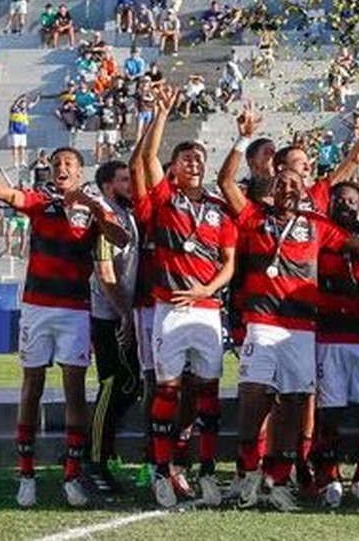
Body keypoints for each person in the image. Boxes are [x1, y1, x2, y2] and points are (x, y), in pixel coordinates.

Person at [218, 108, 359, 510]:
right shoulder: (254, 217)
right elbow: (226, 181)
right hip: (263, 322)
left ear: (305, 189)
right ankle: (247, 473)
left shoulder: (317, 224)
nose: (288, 189)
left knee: (295, 401)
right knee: (255, 396)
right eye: (282, 182)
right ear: (272, 184)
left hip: (303, 328)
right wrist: (242, 139)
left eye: (295, 183)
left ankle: (278, 479)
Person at [0, 141, 127, 509]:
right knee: (31, 385)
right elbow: (4, 192)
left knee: (73, 389)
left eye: (68, 162)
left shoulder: (95, 208)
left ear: (80, 172)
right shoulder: (41, 202)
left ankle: (71, 476)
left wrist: (96, 210)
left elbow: (122, 239)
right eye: (56, 163)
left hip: (74, 311)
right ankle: (26, 475)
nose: (61, 168)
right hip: (37, 308)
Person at [130, 84, 237, 508]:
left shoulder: (219, 208)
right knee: (168, 390)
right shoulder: (164, 201)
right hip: (170, 308)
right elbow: (144, 160)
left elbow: (228, 261)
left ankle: (207, 473)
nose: (194, 163)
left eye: (199, 159)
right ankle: (161, 471)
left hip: (208, 310)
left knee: (208, 394)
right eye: (185, 158)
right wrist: (161, 115)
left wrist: (210, 288)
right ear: (173, 168)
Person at [308, 181, 359, 508]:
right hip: (328, 335)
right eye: (339, 199)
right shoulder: (316, 233)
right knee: (329, 414)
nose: (344, 205)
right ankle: (331, 479)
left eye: (351, 201)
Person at [85, 160, 141, 494]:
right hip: (109, 316)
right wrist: (125, 314)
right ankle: (95, 461)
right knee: (112, 384)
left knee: (129, 385)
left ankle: (104, 454)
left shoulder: (127, 213)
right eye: (124, 179)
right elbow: (106, 274)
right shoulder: (104, 216)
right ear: (108, 185)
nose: (131, 184)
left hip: (125, 313)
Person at [8, 95, 37, 168]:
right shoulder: (15, 110)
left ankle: (22, 161)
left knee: (22, 147)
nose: (23, 105)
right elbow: (15, 104)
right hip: (15, 131)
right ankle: (15, 162)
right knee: (15, 147)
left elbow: (32, 104)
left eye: (24, 103)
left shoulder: (25, 110)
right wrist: (20, 98)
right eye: (22, 103)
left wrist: (37, 99)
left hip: (23, 132)